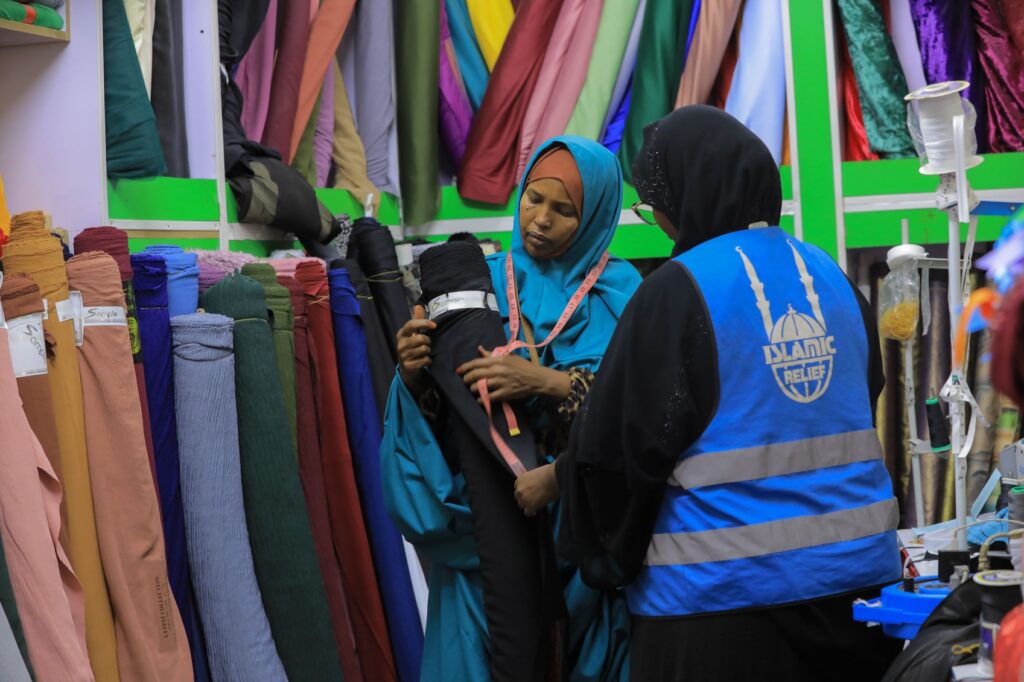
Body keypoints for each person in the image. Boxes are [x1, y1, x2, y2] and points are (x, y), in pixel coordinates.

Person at [552, 106, 903, 681]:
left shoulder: (679, 290)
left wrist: (600, 549)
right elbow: (854, 403)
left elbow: (617, 451)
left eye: (654, 204)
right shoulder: (833, 278)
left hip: (721, 610)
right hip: (862, 600)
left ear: (688, 194)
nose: (660, 221)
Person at [380, 135, 641, 681]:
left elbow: (635, 411)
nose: (540, 220)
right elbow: (440, 405)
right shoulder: (479, 283)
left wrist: (542, 381)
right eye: (532, 199)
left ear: (594, 216)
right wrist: (411, 371)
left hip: (579, 542)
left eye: (564, 210)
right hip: (487, 537)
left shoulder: (621, 294)